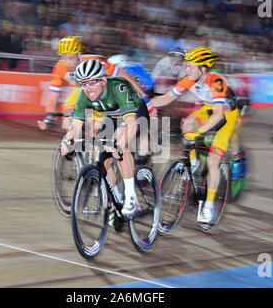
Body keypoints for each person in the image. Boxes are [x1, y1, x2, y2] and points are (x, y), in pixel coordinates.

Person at [150, 47, 239, 227]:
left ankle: (209, 204)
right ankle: (193, 164)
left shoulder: (216, 82)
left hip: (226, 116)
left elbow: (218, 115)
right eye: (187, 66)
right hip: (209, 109)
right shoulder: (189, 80)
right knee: (187, 123)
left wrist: (199, 132)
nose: (186, 70)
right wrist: (144, 105)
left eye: (191, 67)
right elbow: (167, 98)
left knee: (213, 162)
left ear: (203, 69)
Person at [60, 59, 149, 217]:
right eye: (84, 84)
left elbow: (131, 123)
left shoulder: (119, 87)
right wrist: (67, 141)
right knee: (99, 155)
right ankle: (115, 200)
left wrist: (120, 146)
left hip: (136, 113)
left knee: (120, 143)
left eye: (92, 83)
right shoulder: (84, 95)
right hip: (113, 116)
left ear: (104, 80)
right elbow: (76, 126)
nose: (88, 89)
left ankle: (131, 197)